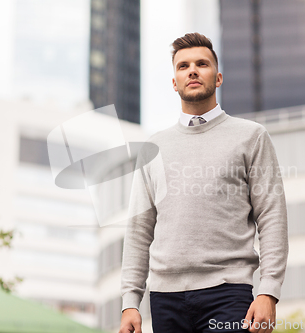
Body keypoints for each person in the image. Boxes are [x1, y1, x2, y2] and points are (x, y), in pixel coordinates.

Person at [118, 32, 288, 333]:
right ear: (174, 82)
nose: (192, 70)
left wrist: (268, 291)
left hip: (228, 293)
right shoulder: (153, 147)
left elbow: (272, 216)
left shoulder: (251, 136)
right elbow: (139, 229)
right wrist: (130, 300)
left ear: (218, 77)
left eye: (202, 64)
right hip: (164, 298)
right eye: (183, 66)